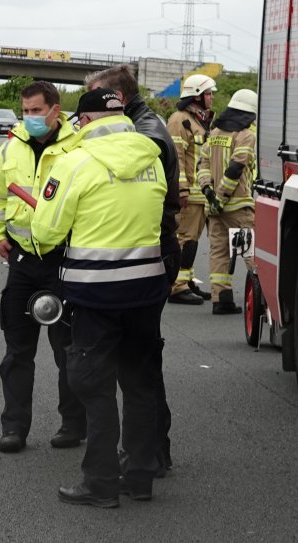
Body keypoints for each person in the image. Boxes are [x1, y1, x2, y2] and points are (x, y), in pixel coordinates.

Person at [32, 88, 169, 508]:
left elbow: (45, 232)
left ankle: (101, 482)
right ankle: (141, 477)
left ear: (85, 122)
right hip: (146, 288)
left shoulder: (75, 163)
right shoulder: (153, 159)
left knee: (94, 385)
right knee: (142, 382)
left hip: (95, 293)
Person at [85, 63, 176, 475]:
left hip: (147, 249)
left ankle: (149, 452)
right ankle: (149, 452)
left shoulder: (144, 133)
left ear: (115, 100)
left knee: (138, 363)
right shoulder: (138, 124)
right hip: (148, 248)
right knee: (139, 360)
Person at [0, 81, 84, 453]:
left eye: (36, 112)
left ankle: (73, 424)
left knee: (67, 350)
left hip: (63, 260)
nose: (30, 119)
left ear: (56, 111)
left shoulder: (77, 148)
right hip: (22, 260)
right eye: (25, 112)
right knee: (17, 351)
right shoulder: (11, 147)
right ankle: (14, 428)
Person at [197, 89, 258, 315]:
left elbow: (201, 166)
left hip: (214, 209)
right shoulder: (245, 135)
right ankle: (261, 300)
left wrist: (209, 193)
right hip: (237, 207)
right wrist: (221, 197)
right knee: (250, 253)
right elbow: (236, 167)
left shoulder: (214, 133)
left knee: (219, 253)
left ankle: (221, 300)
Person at [166, 74, 218, 305]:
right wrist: (182, 190)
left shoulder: (199, 121)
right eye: (208, 93)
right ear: (196, 95)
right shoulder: (179, 120)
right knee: (184, 239)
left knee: (192, 240)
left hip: (200, 194)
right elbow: (175, 157)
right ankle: (176, 287)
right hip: (189, 194)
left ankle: (186, 283)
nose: (212, 97)